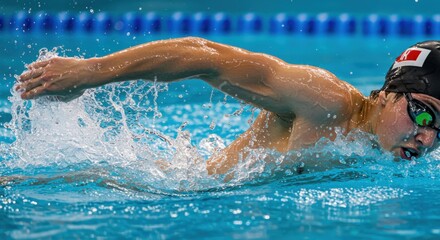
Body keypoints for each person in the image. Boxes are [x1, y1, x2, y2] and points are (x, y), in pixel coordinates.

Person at [15, 37, 440, 176]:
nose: (426, 137)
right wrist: (92, 72)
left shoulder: (382, 152)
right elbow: (206, 57)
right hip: (175, 192)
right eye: (423, 114)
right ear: (386, 94)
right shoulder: (322, 100)